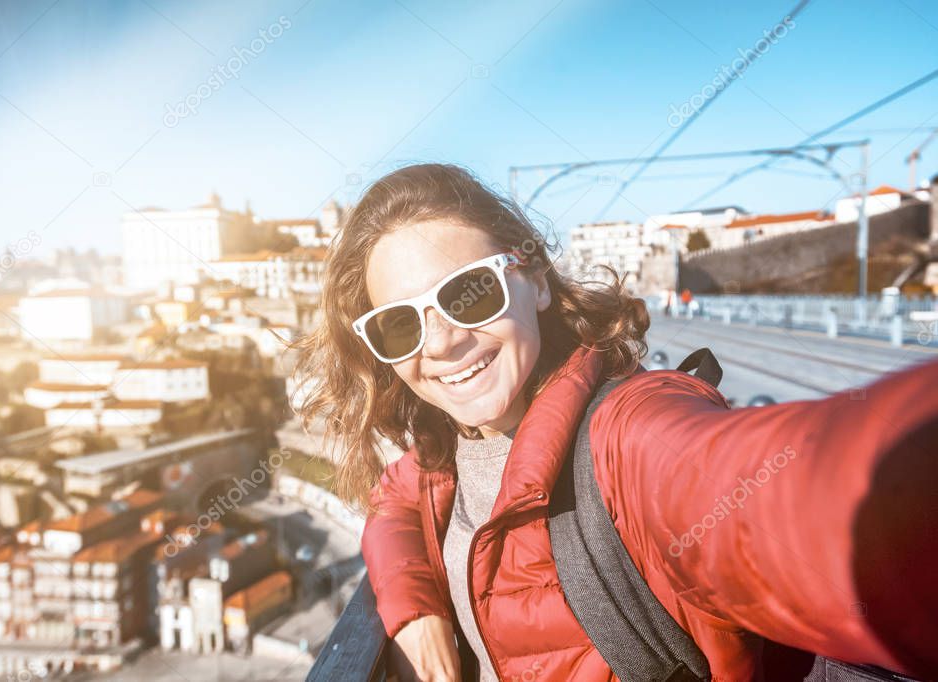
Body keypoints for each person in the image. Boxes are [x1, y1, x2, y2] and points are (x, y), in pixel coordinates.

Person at [294, 163, 937, 681]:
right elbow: (395, 497)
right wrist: (415, 614)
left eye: (468, 293)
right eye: (399, 323)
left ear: (535, 282)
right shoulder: (443, 451)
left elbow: (805, 494)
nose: (438, 343)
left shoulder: (631, 435)